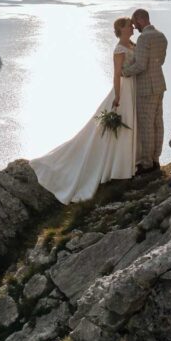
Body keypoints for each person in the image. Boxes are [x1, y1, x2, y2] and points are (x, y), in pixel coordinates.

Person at [29, 17, 138, 204]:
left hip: (133, 89)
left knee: (126, 126)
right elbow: (117, 75)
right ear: (121, 29)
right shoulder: (119, 49)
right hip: (124, 91)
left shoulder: (132, 44)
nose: (132, 27)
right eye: (129, 25)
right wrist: (118, 97)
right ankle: (115, 167)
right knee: (116, 128)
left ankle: (126, 165)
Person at [121, 8, 167, 172]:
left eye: (135, 23)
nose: (135, 27)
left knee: (146, 126)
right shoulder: (161, 36)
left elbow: (141, 65)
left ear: (141, 19)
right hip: (159, 85)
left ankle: (147, 164)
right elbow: (159, 62)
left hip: (146, 88)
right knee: (158, 123)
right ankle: (156, 159)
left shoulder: (143, 38)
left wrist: (124, 72)